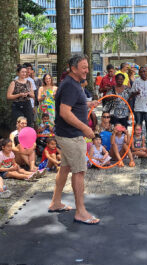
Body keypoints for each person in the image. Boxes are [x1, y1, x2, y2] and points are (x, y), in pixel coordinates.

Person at [48, 54, 100, 224]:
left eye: (87, 66)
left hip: (67, 134)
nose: (87, 70)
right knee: (79, 172)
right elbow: (64, 112)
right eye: (83, 67)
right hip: (71, 136)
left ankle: (55, 202)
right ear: (73, 68)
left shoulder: (73, 84)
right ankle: (81, 212)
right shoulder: (71, 85)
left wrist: (87, 105)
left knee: (65, 168)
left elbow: (72, 105)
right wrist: (85, 128)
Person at [130, 66, 147, 150]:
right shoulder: (136, 81)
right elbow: (131, 94)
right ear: (139, 73)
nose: (143, 73)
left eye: (144, 71)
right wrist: (136, 93)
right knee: (138, 125)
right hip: (138, 107)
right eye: (141, 72)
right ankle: (137, 143)